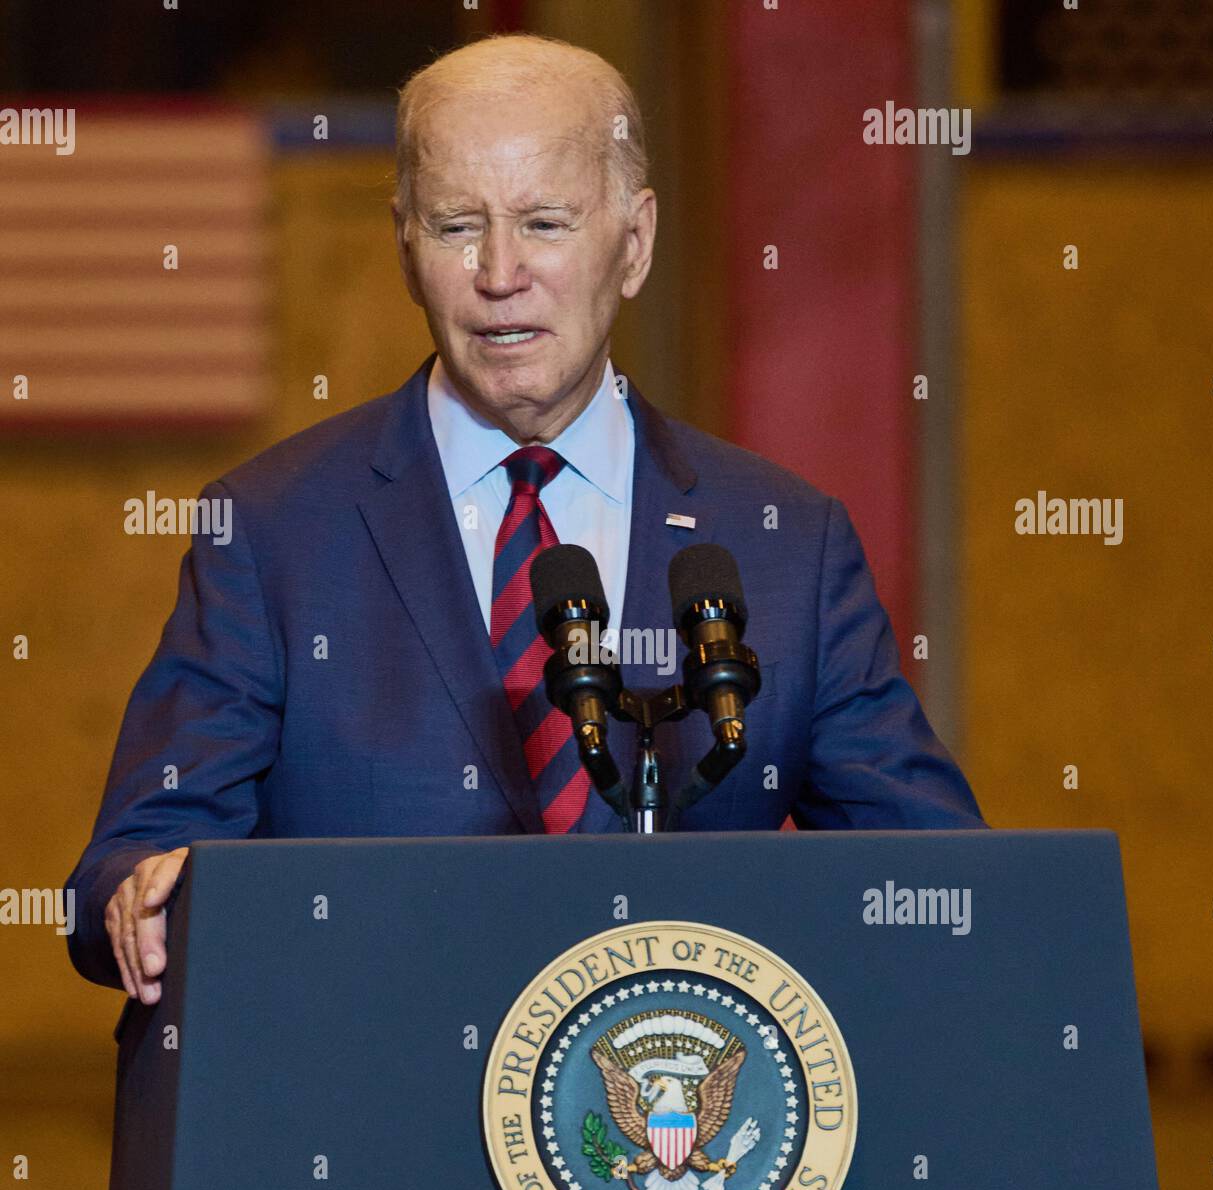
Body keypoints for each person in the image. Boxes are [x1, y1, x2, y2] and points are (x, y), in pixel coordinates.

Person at [65, 34, 984, 1001]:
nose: (499, 273)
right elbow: (135, 859)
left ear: (633, 246)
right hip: (374, 1111)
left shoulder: (786, 545)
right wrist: (147, 891)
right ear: (405, 246)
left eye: (545, 223)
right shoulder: (271, 532)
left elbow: (944, 886)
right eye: (458, 225)